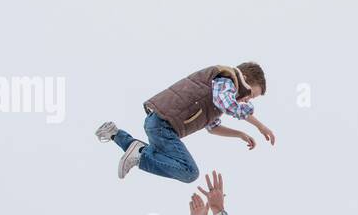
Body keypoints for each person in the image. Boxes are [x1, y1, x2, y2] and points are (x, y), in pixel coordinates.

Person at [96, 63, 275, 182]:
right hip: (163, 126)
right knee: (189, 171)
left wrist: (240, 134)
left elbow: (213, 127)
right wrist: (259, 125)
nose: (247, 100)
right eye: (251, 95)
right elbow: (227, 103)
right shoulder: (227, 79)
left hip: (158, 124)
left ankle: (115, 134)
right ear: (245, 79)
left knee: (170, 162)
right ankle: (140, 153)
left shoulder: (218, 98)